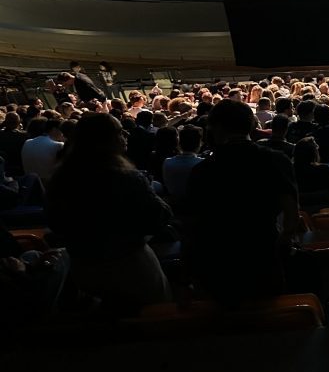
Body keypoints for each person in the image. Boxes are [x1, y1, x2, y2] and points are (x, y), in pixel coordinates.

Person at [45, 113, 173, 313]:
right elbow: (160, 217)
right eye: (119, 132)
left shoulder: (61, 178)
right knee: (157, 312)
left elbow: (54, 222)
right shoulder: (126, 177)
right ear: (105, 141)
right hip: (129, 264)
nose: (125, 136)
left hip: (83, 267)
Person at [180, 100, 301, 305]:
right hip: (264, 255)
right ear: (251, 125)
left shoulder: (202, 171)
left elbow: (191, 227)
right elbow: (291, 214)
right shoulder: (277, 160)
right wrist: (282, 244)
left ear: (216, 129)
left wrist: (187, 277)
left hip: (218, 264)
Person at [162, 124, 204, 206]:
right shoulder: (202, 163)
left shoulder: (167, 162)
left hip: (173, 205)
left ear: (179, 143)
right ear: (199, 144)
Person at [21, 118, 64, 186]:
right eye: (62, 131)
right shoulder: (58, 145)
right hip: (48, 185)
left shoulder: (27, 142)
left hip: (29, 183)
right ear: (54, 129)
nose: (62, 134)